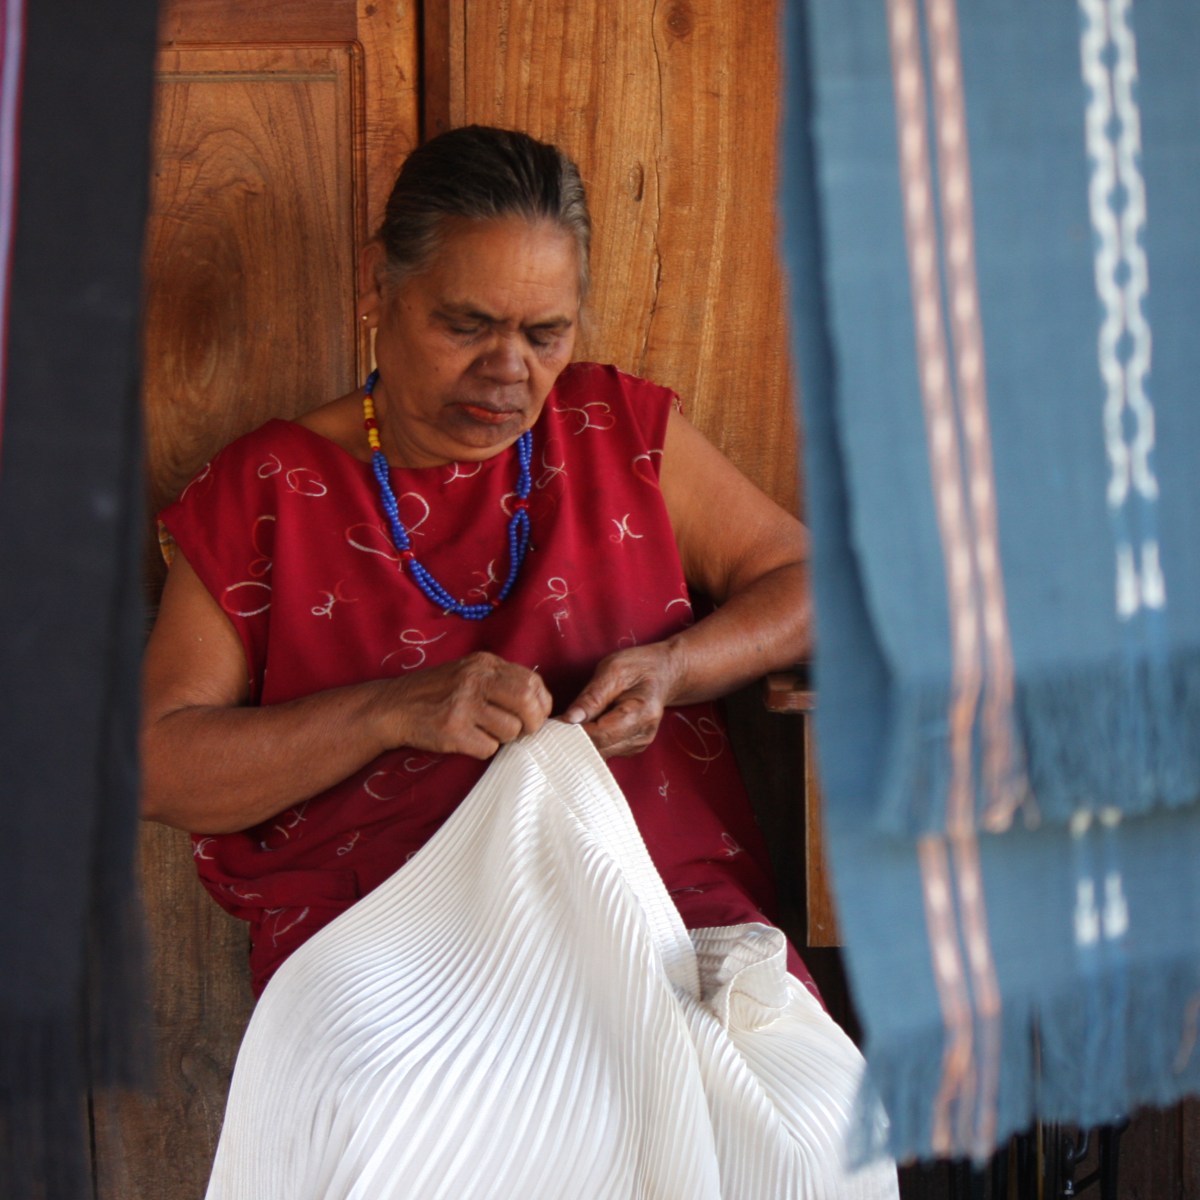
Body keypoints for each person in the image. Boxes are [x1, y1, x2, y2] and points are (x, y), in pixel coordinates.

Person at [141, 125, 897, 1199]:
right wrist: (390, 712)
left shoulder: (612, 431)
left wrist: (680, 667)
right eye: (467, 325)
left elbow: (813, 579)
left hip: (655, 914)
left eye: (545, 332)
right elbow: (159, 766)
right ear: (378, 288)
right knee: (426, 1135)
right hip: (395, 946)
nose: (510, 373)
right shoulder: (264, 490)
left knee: (813, 1131)